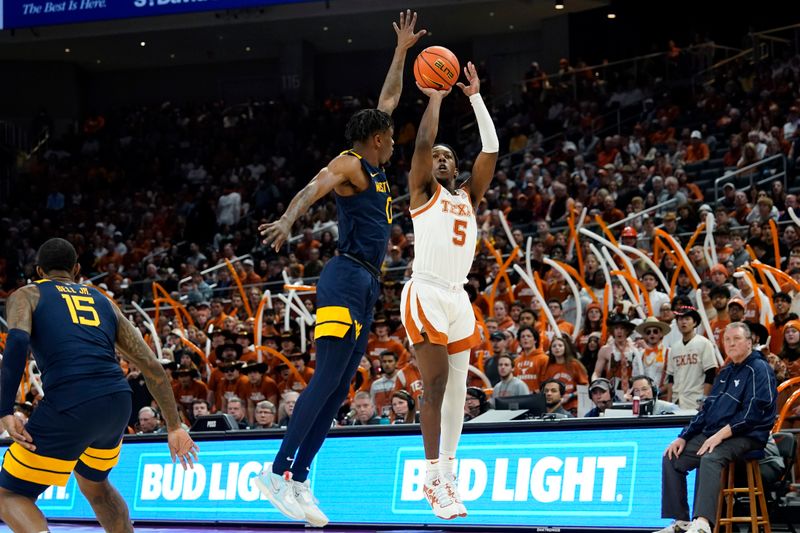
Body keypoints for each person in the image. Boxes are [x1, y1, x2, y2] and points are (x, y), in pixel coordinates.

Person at [255, 11, 426, 527]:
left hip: (368, 284)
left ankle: (300, 477)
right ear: (375, 139)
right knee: (325, 377)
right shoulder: (352, 162)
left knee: (339, 388)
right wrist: (287, 220)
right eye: (389, 136)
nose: (395, 139)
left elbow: (389, 99)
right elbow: (316, 185)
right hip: (345, 277)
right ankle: (276, 472)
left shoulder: (375, 162)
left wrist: (400, 52)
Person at [0, 238, 198, 533]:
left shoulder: (27, 294)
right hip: (117, 402)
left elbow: (16, 342)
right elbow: (151, 365)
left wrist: (4, 409)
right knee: (95, 484)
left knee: (9, 494)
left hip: (71, 400)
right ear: (77, 269)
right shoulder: (103, 301)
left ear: (38, 270)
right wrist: (174, 426)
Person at [400, 57, 498, 519]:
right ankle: (430, 475)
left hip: (459, 297)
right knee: (434, 384)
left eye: (448, 157)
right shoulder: (423, 193)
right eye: (436, 157)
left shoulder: (467, 197)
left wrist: (475, 96)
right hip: (425, 291)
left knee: (459, 392)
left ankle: (449, 473)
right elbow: (421, 142)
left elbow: (491, 150)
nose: (440, 159)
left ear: (456, 168)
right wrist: (436, 99)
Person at [655, 322, 777, 533]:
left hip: (748, 435)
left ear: (749, 342)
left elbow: (753, 414)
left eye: (736, 339)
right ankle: (681, 522)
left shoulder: (760, 368)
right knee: (672, 457)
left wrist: (719, 436)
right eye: (727, 340)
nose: (731, 344)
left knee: (710, 457)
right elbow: (706, 410)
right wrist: (683, 437)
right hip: (717, 434)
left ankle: (702, 523)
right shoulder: (727, 371)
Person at [665, 305, 719, 410]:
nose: (683, 322)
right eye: (680, 319)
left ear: (694, 323)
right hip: (676, 401)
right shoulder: (674, 347)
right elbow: (671, 378)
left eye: (687, 319)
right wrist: (668, 402)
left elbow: (710, 373)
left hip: (696, 401)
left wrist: (705, 399)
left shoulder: (704, 343)